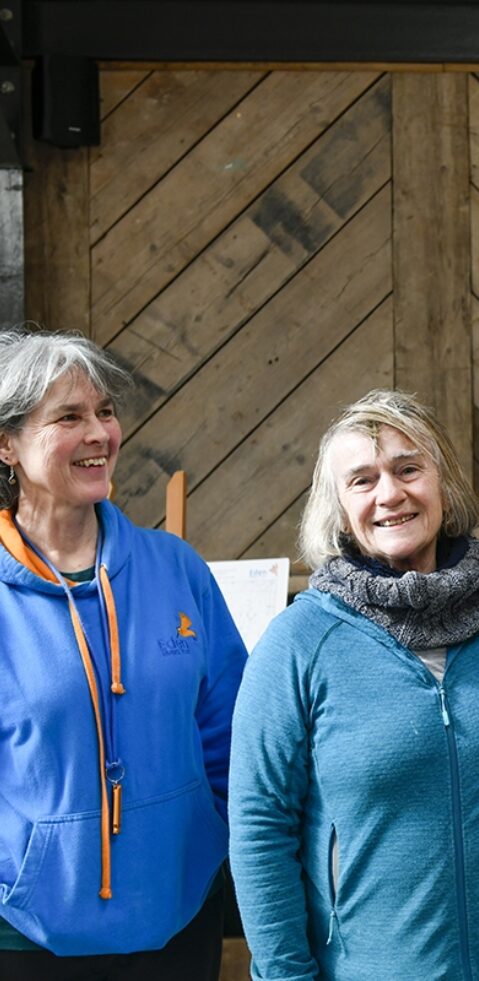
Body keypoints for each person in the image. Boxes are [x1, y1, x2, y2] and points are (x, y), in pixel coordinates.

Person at [229, 389, 479, 981]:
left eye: (409, 469)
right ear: (338, 507)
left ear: (444, 484)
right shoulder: (299, 643)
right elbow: (259, 828)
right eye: (362, 480)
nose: (389, 494)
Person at [0, 327, 247, 979]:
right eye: (69, 417)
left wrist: (208, 837)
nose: (99, 434)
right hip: (25, 938)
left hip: (180, 921)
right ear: (6, 444)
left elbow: (231, 733)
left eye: (105, 412)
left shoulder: (177, 569)